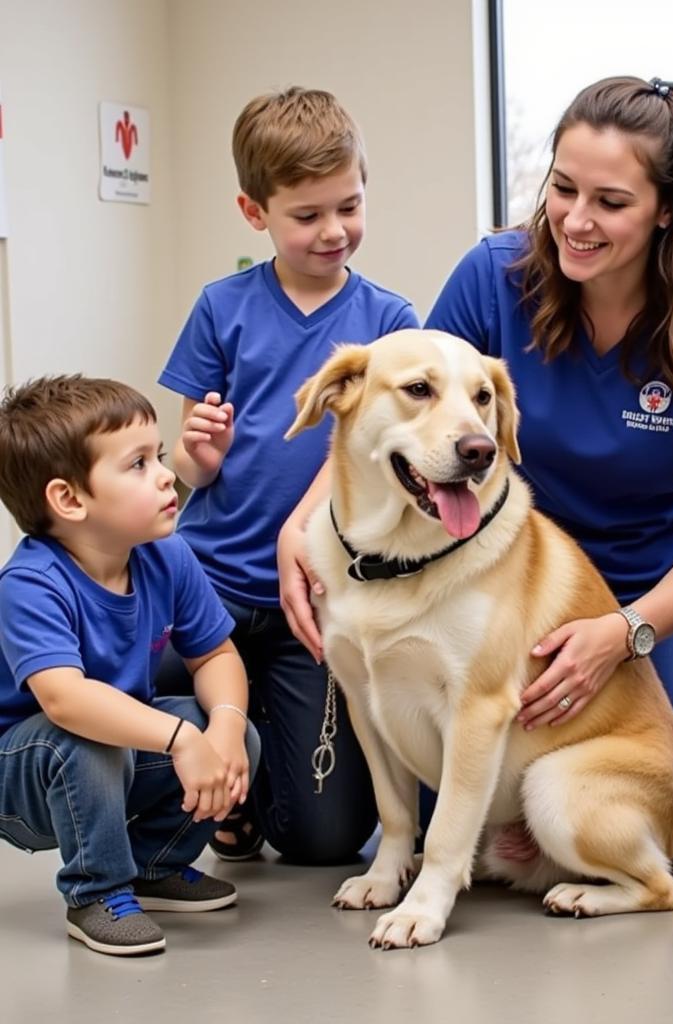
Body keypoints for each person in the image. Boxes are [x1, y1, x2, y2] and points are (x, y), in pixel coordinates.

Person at [421, 75, 673, 830]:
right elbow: (416, 428)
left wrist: (624, 632)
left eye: (611, 203)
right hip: (522, 576)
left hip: (668, 582)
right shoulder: (493, 279)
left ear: (667, 211)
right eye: (563, 189)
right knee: (465, 788)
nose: (576, 221)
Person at [157, 87, 418, 865]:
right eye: (307, 216)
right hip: (210, 588)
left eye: (350, 205)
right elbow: (184, 462)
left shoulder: (391, 324)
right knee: (122, 691)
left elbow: (385, 466)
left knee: (325, 842)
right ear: (254, 212)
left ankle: (255, 769)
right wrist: (194, 460)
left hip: (318, 599)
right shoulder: (220, 308)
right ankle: (221, 775)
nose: (334, 231)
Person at [0, 376, 261, 957]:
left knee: (235, 730)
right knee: (82, 739)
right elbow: (65, 701)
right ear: (69, 500)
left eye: (160, 456)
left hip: (116, 754)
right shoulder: (30, 584)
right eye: (139, 464)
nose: (168, 474)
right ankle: (96, 890)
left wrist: (219, 727)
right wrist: (178, 737)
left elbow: (217, 654)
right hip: (26, 774)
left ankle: (152, 867)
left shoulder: (166, 553)